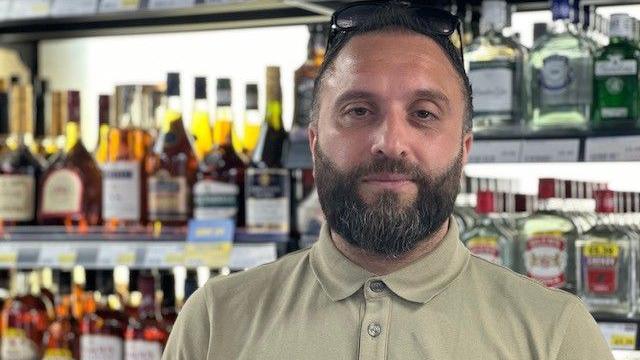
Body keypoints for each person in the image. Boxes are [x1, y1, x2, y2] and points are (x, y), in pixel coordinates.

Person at [163, 2, 613, 359]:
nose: (390, 142)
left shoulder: (558, 335)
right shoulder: (214, 321)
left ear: (464, 150)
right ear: (315, 144)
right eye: (359, 111)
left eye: (423, 114)